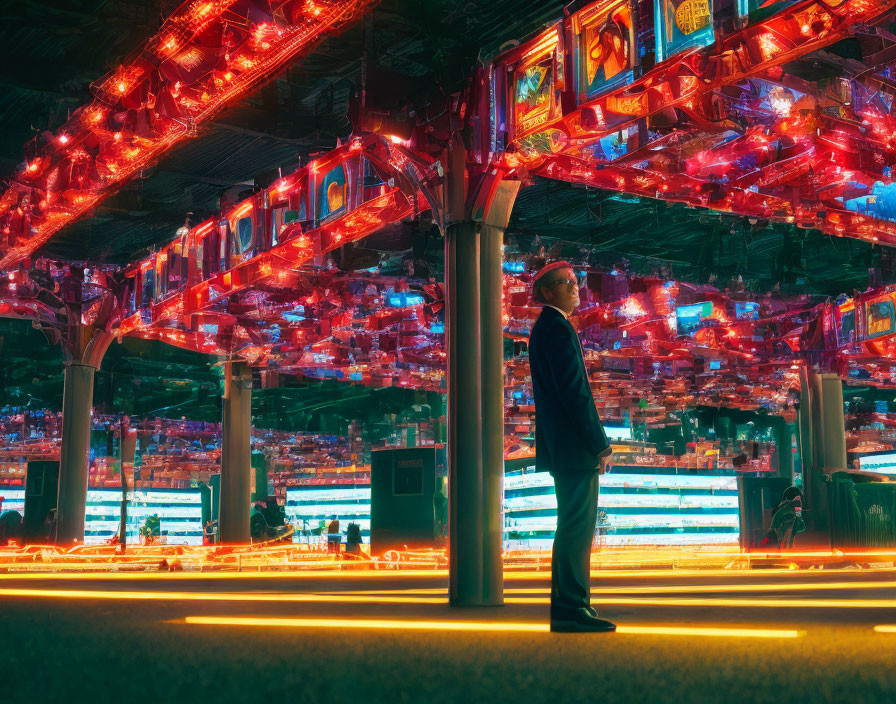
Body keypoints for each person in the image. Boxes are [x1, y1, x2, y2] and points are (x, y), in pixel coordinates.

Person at [528, 260, 616, 633]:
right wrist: (599, 444)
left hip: (563, 446)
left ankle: (574, 603)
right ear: (548, 291)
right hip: (574, 447)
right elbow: (574, 392)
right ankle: (570, 607)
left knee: (573, 526)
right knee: (576, 528)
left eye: (577, 283)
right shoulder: (557, 330)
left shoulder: (547, 328)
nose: (576, 288)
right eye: (567, 283)